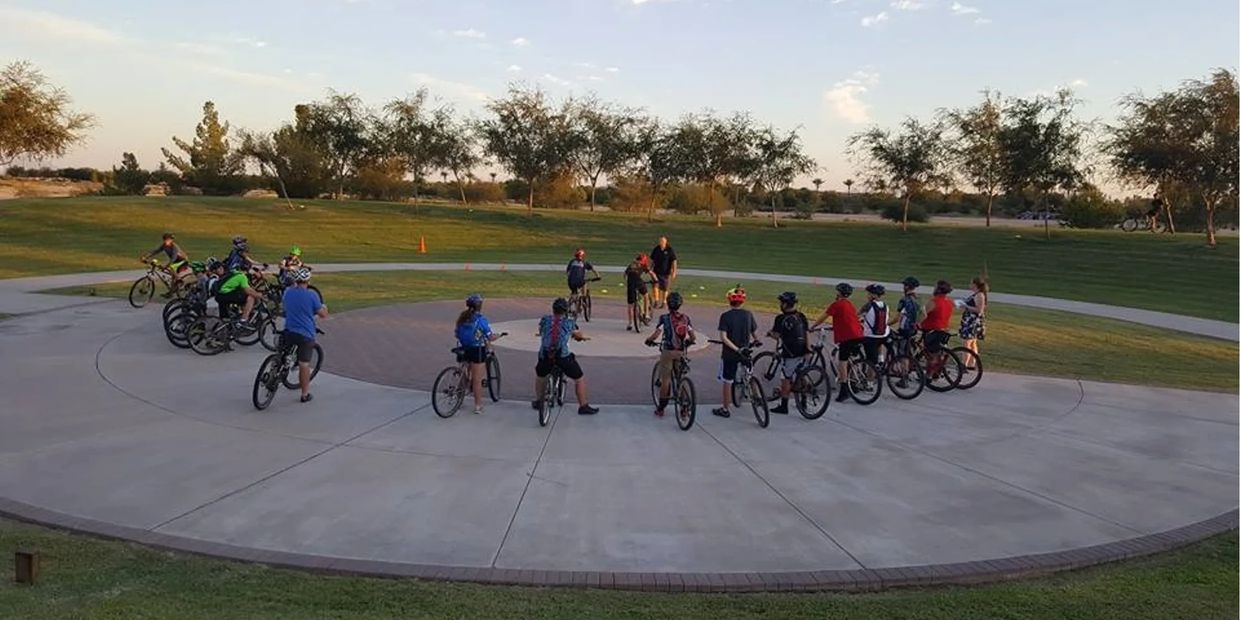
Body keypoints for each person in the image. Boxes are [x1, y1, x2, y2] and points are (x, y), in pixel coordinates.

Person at [533, 298, 599, 415]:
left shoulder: (545, 320)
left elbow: (541, 330)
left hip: (545, 355)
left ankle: (539, 401)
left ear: (553, 309)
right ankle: (583, 405)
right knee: (579, 377)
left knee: (540, 375)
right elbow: (578, 334)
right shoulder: (569, 322)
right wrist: (579, 337)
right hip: (562, 356)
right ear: (566, 310)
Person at [811, 283, 865, 403]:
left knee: (842, 362)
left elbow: (823, 317)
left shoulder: (836, 304)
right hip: (858, 335)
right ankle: (853, 384)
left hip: (848, 337)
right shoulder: (849, 304)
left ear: (839, 292)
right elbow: (848, 319)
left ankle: (844, 389)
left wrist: (813, 326)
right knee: (851, 359)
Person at [644, 291, 695, 417]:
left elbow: (657, 333)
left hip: (668, 351)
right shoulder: (686, 318)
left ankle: (661, 408)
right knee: (680, 378)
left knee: (665, 380)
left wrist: (649, 340)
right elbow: (692, 336)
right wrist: (689, 342)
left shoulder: (664, 318)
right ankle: (684, 407)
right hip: (680, 352)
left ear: (668, 305)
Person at [282, 267, 328, 403]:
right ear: (308, 280)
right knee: (304, 364)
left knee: (284, 354)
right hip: (305, 333)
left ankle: (277, 366)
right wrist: (323, 306)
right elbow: (323, 314)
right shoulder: (312, 295)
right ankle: (305, 394)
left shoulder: (288, 293)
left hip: (289, 330)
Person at [713, 285, 758, 419]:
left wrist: (735, 348)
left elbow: (724, 337)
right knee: (749, 373)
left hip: (730, 353)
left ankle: (725, 408)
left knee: (727, 380)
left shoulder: (725, 316)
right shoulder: (748, 314)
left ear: (729, 300)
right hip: (746, 351)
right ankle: (757, 397)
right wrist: (757, 340)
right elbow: (754, 332)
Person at [455, 294, 502, 415]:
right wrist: (498, 336)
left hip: (463, 348)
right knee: (477, 379)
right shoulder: (481, 320)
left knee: (465, 369)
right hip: (477, 350)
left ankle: (458, 394)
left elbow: (456, 333)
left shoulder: (462, 318)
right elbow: (489, 336)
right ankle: (478, 405)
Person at [767, 291, 810, 415]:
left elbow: (777, 335)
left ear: (785, 304)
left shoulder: (780, 318)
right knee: (802, 374)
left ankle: (784, 406)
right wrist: (808, 349)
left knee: (785, 378)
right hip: (803, 349)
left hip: (790, 351)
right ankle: (803, 401)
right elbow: (806, 332)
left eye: (781, 302)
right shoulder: (801, 316)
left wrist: (770, 334)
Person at [213, 263, 263, 327]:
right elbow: (248, 291)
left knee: (241, 297)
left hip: (219, 295)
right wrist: (259, 295)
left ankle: (229, 323)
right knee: (251, 297)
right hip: (225, 294)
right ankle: (243, 320)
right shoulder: (242, 276)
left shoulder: (233, 273)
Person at [858, 284, 892, 365]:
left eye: (869, 294)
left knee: (871, 362)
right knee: (879, 342)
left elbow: (856, 315)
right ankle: (881, 359)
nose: (867, 296)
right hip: (884, 335)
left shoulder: (868, 305)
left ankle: (871, 376)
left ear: (874, 295)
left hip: (871, 337)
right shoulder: (885, 305)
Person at [890, 276, 923, 358]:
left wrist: (887, 324)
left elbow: (896, 319)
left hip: (905, 329)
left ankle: (902, 369)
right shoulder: (919, 299)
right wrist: (916, 323)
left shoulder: (904, 300)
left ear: (907, 287)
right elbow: (924, 314)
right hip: (914, 329)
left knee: (901, 353)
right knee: (908, 351)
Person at [959, 276, 988, 366]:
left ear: (975, 285)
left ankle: (964, 364)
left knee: (967, 343)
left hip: (972, 322)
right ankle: (972, 363)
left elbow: (979, 310)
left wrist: (966, 307)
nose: (969, 285)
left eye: (971, 283)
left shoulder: (980, 295)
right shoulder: (975, 294)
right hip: (969, 320)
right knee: (972, 343)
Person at [920, 280, 955, 353]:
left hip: (932, 330)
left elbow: (924, 314)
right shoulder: (949, 302)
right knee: (937, 353)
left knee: (929, 353)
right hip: (944, 329)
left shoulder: (934, 302)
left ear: (938, 290)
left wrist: (916, 322)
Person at [624, 254, 652, 332]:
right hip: (639, 283)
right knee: (646, 295)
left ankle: (630, 323)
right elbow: (652, 274)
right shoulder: (644, 265)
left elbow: (625, 275)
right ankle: (646, 314)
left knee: (630, 305)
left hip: (630, 284)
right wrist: (655, 281)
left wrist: (627, 282)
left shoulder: (631, 265)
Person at [649, 236, 678, 308]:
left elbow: (674, 261)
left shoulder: (669, 250)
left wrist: (674, 271)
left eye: (663, 241)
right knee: (655, 286)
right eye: (660, 241)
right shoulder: (656, 249)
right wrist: (650, 269)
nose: (661, 242)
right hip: (656, 272)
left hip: (666, 273)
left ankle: (664, 302)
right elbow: (652, 260)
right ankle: (656, 301)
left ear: (666, 242)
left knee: (665, 288)